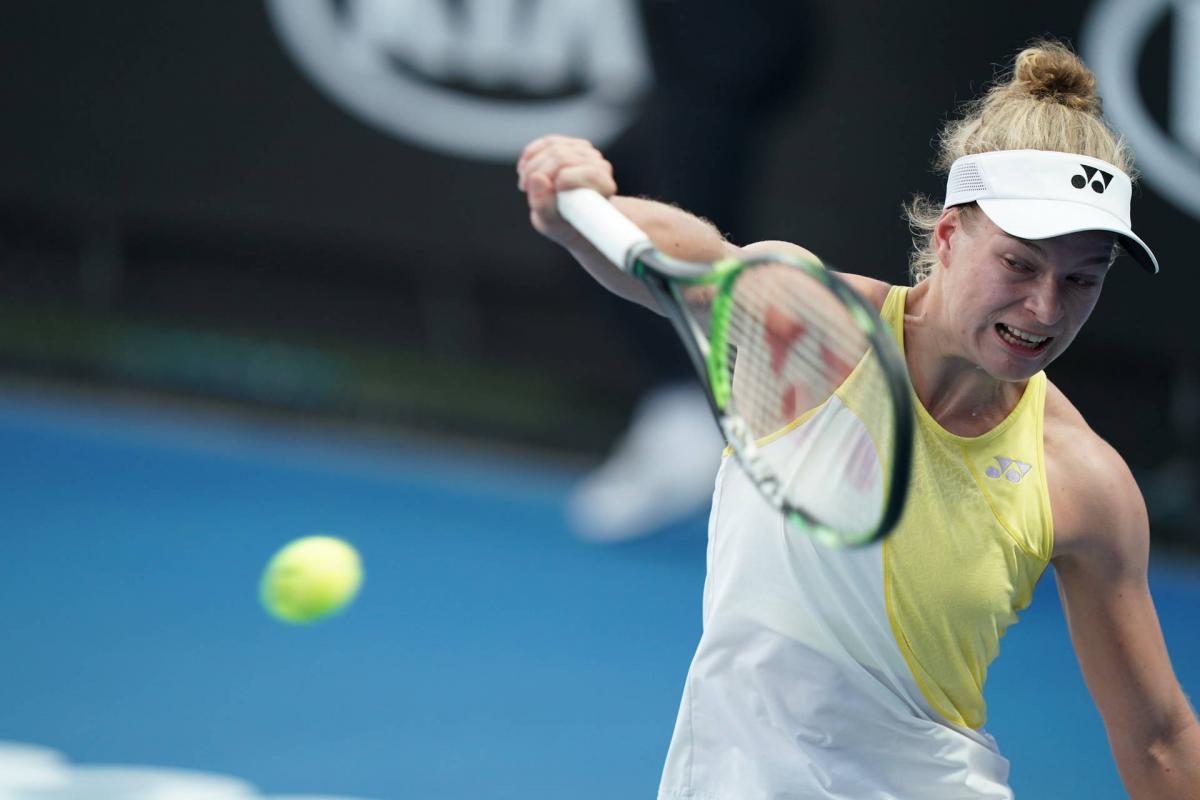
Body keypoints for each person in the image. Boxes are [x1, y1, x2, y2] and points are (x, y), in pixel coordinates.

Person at [517, 41, 1200, 800]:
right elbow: (686, 254)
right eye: (1019, 265)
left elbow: (1159, 738)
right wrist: (581, 207)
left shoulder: (1084, 481)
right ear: (947, 237)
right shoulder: (809, 327)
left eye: (1082, 280)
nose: (1046, 310)